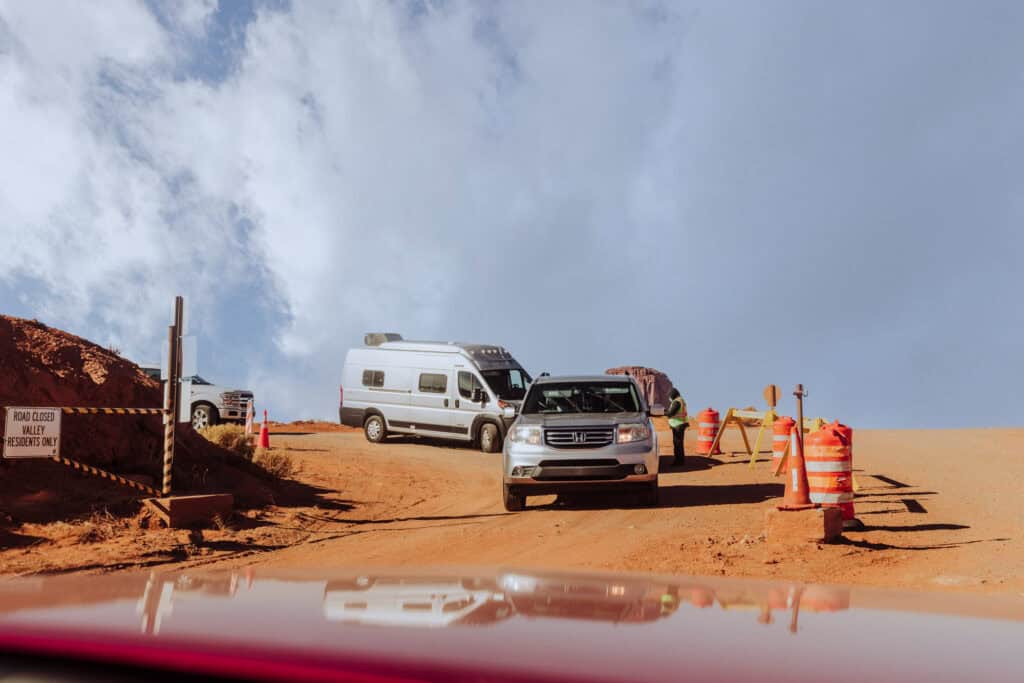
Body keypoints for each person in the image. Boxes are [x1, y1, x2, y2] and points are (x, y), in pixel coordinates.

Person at [666, 388, 688, 466]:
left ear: (673, 394)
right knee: (679, 444)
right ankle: (680, 460)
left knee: (677, 444)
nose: (669, 397)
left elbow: (671, 413)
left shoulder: (676, 402)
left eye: (670, 395)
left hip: (678, 425)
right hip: (680, 424)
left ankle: (678, 461)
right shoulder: (680, 400)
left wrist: (663, 412)